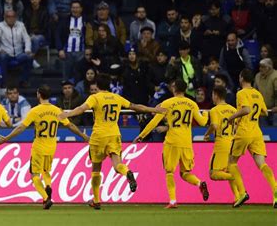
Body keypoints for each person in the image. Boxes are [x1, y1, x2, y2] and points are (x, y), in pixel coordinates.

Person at [59, 73, 163, 209]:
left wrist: (67, 113)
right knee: (117, 164)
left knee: (96, 168)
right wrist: (154, 109)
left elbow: (81, 109)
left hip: (98, 136)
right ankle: (127, 172)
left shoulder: (95, 97)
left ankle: (96, 200)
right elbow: (136, 107)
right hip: (114, 134)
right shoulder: (116, 97)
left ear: (97, 85)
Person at [0, 85, 88, 209]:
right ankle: (48, 186)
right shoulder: (57, 110)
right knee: (46, 171)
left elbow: (21, 127)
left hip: (39, 147)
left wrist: (7, 138)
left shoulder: (35, 111)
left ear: (39, 94)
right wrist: (83, 136)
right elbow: (70, 126)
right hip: (51, 147)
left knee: (34, 174)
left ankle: (45, 198)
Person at [133, 78, 209, 208]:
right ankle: (199, 183)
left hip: (172, 141)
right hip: (186, 142)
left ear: (174, 88)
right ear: (185, 89)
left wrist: (141, 136)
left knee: (169, 172)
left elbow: (154, 122)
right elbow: (202, 122)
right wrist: (207, 114)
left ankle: (173, 201)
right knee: (185, 173)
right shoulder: (192, 104)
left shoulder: (167, 103)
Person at [227, 69, 277, 208]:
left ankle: (242, 193)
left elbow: (247, 110)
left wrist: (231, 117)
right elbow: (264, 112)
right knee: (262, 164)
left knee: (231, 162)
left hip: (244, 131)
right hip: (256, 132)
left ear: (241, 78)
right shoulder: (257, 94)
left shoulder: (241, 93)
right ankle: (275, 191)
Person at [203, 86, 239, 203]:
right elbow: (238, 126)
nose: (212, 97)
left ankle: (236, 178)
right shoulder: (234, 110)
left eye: (213, 95)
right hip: (233, 143)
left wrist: (207, 134)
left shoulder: (215, 110)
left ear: (216, 95)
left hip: (221, 144)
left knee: (213, 174)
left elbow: (214, 125)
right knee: (227, 170)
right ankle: (238, 197)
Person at [0, 10, 32, 87]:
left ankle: (24, 81)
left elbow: (27, 38)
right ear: (4, 17)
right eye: (8, 17)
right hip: (6, 55)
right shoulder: (0, 26)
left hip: (19, 54)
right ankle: (3, 83)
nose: (11, 19)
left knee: (29, 57)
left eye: (13, 17)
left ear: (16, 18)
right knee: (2, 57)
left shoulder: (21, 25)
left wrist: (27, 49)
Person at [55, 0, 87, 80]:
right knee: (66, 77)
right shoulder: (64, 20)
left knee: (80, 76)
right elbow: (57, 34)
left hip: (81, 52)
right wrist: (60, 49)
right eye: (73, 8)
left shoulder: (86, 20)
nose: (75, 10)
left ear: (81, 9)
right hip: (67, 52)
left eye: (77, 8)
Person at [255, 58, 277, 126]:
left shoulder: (275, 76)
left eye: (263, 67)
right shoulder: (257, 76)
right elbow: (255, 92)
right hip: (262, 109)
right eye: (260, 67)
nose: (260, 69)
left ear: (269, 67)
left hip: (274, 110)